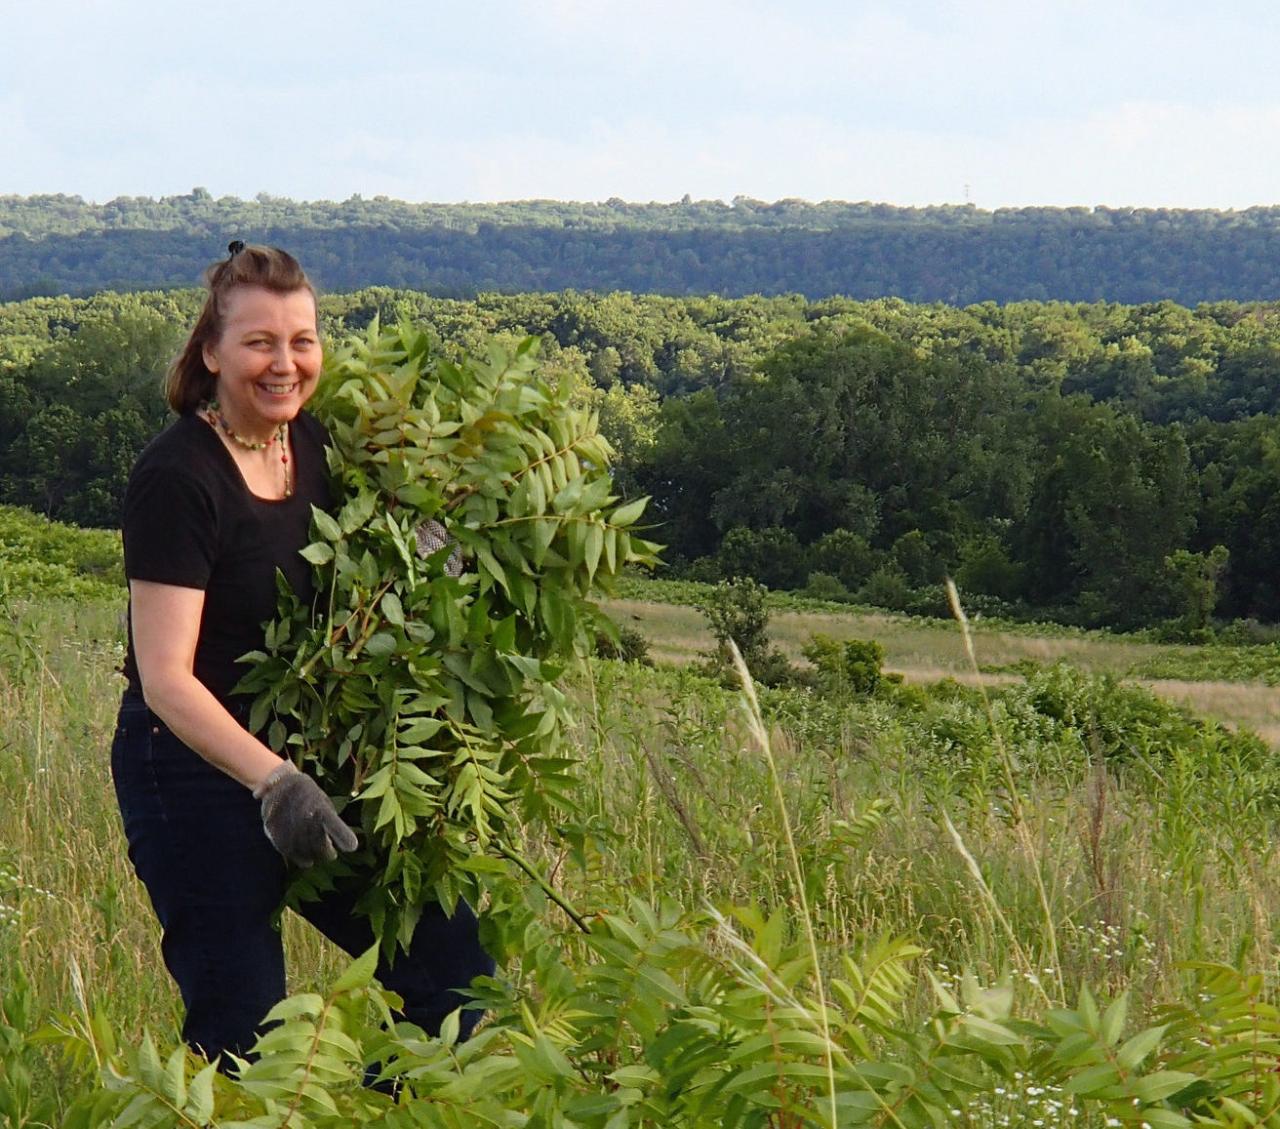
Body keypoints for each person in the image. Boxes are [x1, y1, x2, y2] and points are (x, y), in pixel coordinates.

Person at [111, 242, 493, 1066]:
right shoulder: (177, 478)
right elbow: (166, 678)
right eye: (259, 342)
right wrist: (274, 782)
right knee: (245, 1039)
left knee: (454, 971)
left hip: (311, 759)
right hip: (190, 774)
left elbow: (360, 569)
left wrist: (426, 555)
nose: (284, 363)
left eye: (302, 340)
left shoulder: (310, 445)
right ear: (211, 353)